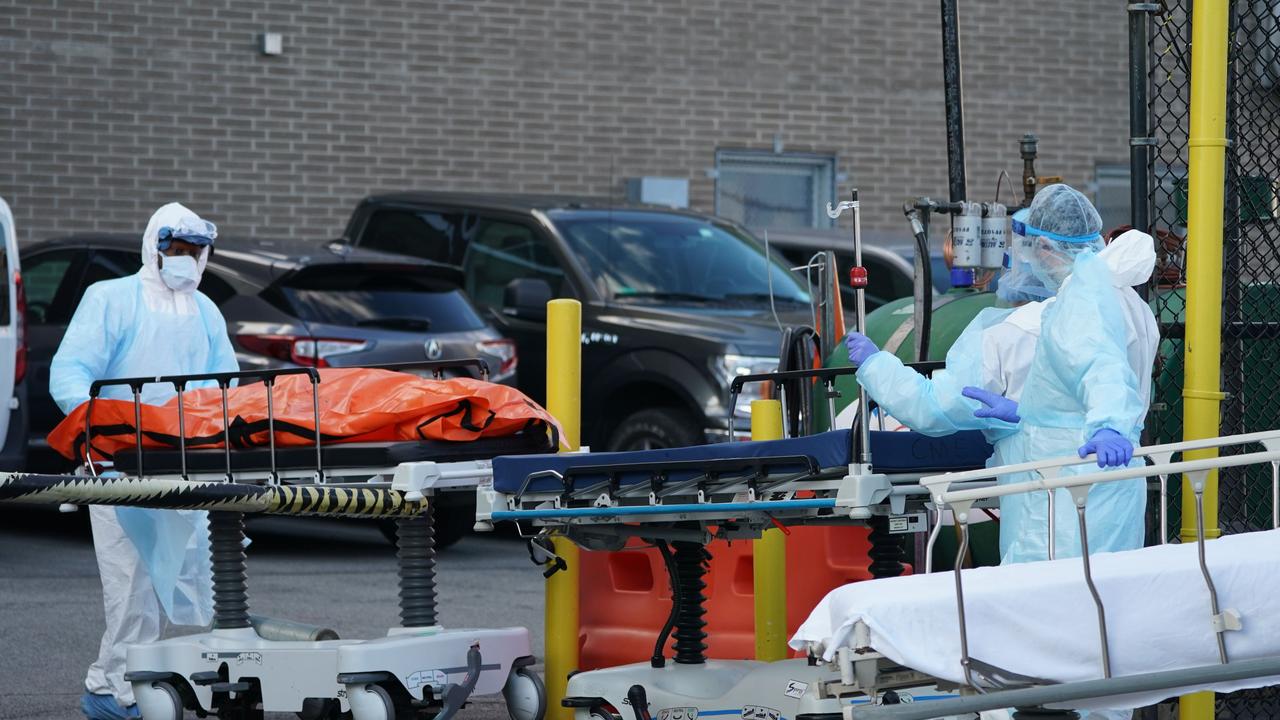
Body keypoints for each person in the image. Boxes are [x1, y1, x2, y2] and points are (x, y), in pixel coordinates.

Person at [845, 184, 1158, 564]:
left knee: (1051, 605)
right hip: (1113, 486)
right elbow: (1079, 391)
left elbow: (935, 408)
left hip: (1060, 493)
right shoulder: (1126, 297)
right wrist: (1023, 413)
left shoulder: (1065, 307)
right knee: (1109, 596)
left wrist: (877, 366)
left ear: (1043, 248)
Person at [50, 203, 238, 720]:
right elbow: (69, 374)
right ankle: (117, 690)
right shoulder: (111, 299)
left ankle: (121, 684)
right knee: (130, 584)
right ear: (154, 248)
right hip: (118, 467)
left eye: (194, 252)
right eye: (175, 250)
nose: (185, 261)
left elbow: (226, 385)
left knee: (174, 583)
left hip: (184, 465)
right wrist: (106, 426)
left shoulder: (206, 311)